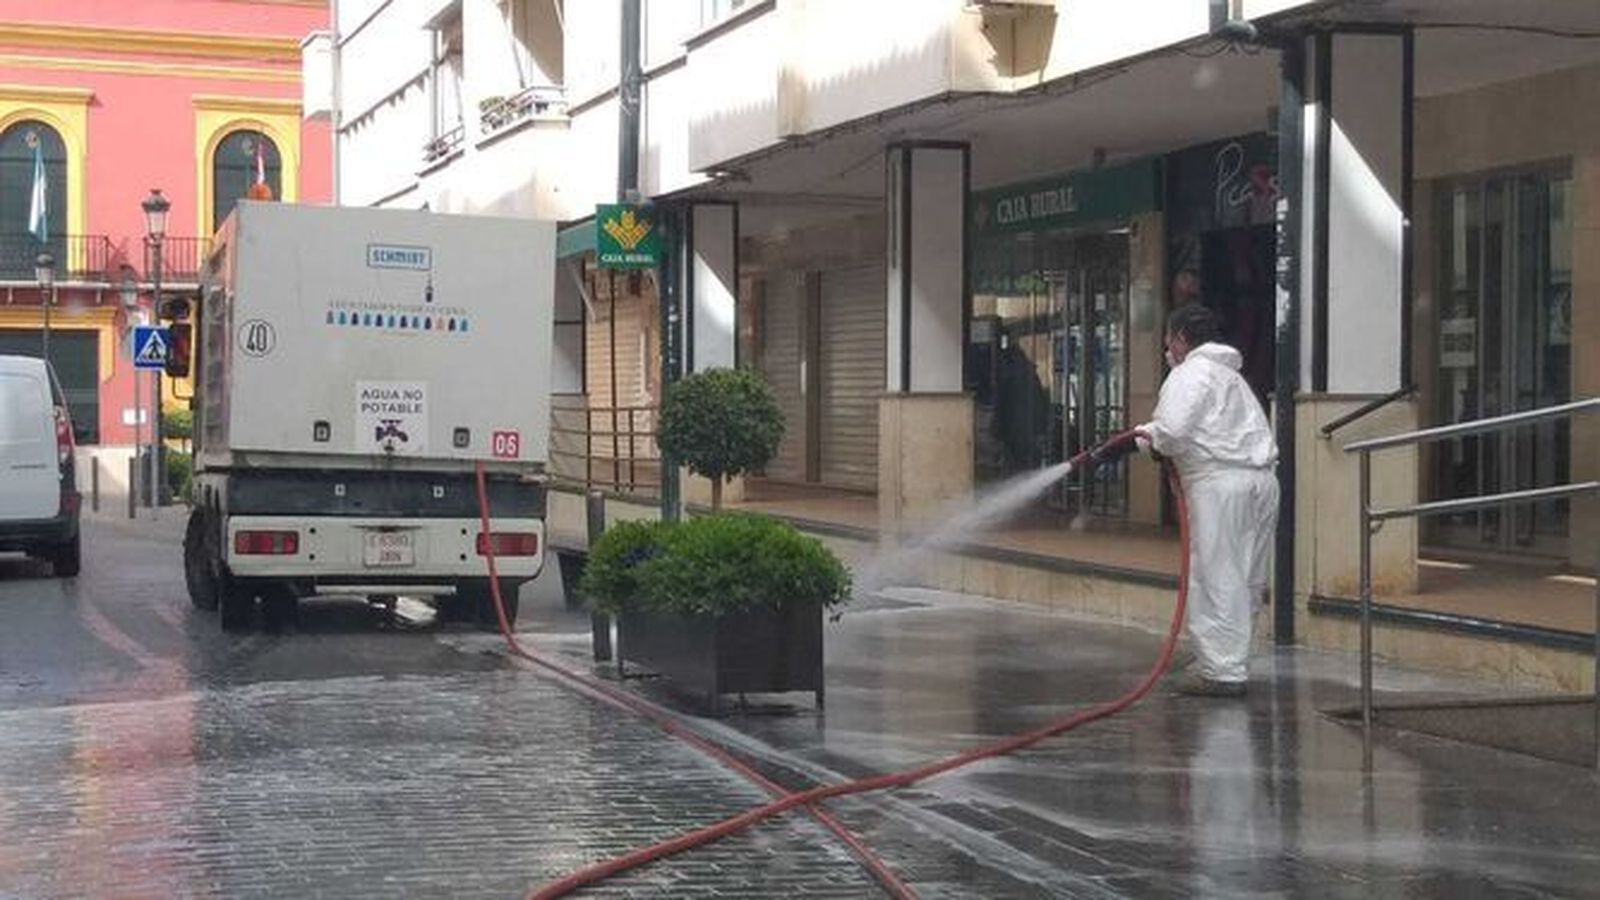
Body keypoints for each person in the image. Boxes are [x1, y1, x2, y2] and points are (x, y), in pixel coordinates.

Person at [1136, 303, 1278, 697]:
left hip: (1220, 485)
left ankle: (1223, 670)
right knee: (1246, 575)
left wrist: (1150, 440)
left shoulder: (1188, 374)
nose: (1166, 346)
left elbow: (1172, 431)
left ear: (1181, 338)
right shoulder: (1231, 378)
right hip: (1261, 482)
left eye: (1168, 338)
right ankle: (1230, 658)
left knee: (1218, 574)